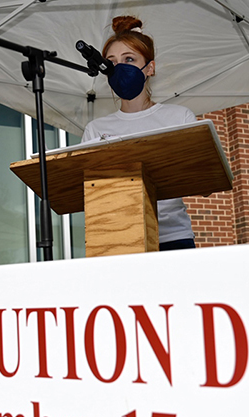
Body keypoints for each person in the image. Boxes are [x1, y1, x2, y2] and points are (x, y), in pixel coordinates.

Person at [82, 15, 196, 251]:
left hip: (172, 239)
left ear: (150, 68)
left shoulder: (180, 118)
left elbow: (202, 178)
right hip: (117, 242)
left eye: (129, 59)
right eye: (112, 62)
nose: (120, 67)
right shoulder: (95, 129)